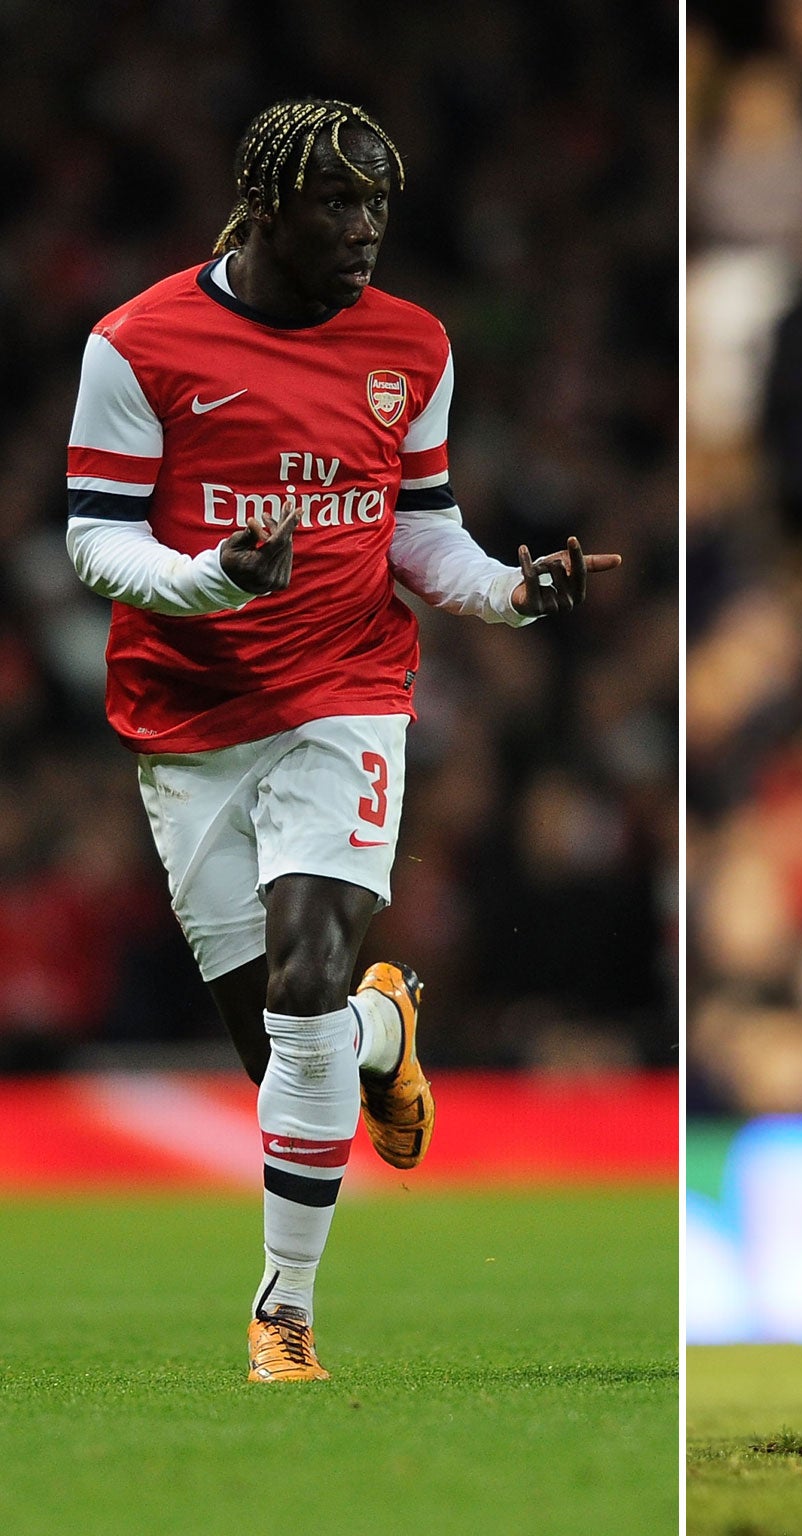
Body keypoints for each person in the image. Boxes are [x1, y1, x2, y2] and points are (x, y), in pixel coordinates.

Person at [63, 99, 621, 1382]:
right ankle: (386, 1033)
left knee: (303, 979)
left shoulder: (412, 345)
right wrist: (216, 579)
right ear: (266, 211)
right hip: (188, 717)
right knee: (286, 1053)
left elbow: (419, 524)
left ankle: (284, 1317)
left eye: (378, 207)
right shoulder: (140, 344)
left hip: (347, 689)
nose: (366, 230)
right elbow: (95, 536)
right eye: (337, 207)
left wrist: (507, 591)